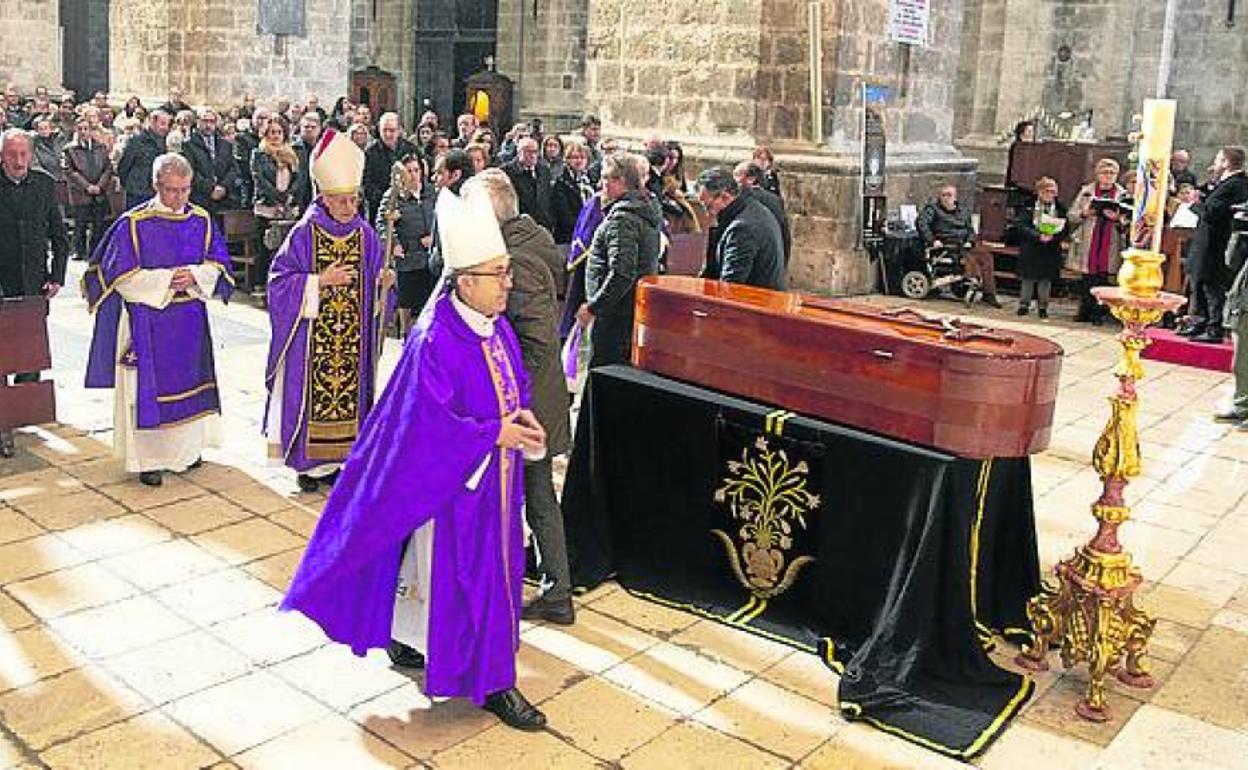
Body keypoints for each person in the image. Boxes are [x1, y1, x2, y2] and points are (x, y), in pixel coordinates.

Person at [282, 185, 551, 732]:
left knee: (487, 582)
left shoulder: (496, 327)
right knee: (456, 583)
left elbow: (513, 386)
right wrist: (491, 434)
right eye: (498, 274)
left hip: (496, 487)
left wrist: (523, 421)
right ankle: (495, 682)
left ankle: (474, 667)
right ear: (464, 281)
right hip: (450, 494)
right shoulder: (434, 339)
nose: (509, 283)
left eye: (506, 272)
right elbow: (427, 425)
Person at [82, 153, 232, 485]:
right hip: (146, 321)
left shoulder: (201, 220)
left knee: (190, 382)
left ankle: (187, 453)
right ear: (155, 186)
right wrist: (166, 280)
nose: (178, 198)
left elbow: (219, 266)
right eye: (170, 190)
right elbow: (118, 278)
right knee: (145, 391)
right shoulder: (133, 224)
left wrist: (194, 275)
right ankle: (148, 460)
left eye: (184, 190)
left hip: (189, 320)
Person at [467, 169, 574, 624]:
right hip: (536, 398)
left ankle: (556, 592)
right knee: (537, 492)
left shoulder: (516, 260)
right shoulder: (532, 240)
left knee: (535, 494)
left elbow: (539, 341)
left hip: (530, 402)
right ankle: (553, 583)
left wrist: (511, 399)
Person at [264, 129, 393, 494]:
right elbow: (278, 282)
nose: (349, 208)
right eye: (342, 201)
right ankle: (309, 466)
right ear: (324, 198)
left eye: (353, 200)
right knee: (313, 394)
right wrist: (318, 282)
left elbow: (374, 289)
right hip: (312, 340)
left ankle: (341, 462)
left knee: (350, 398)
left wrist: (383, 283)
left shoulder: (365, 234)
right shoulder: (306, 232)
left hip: (351, 343)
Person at [0, 128, 70, 457]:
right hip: (2, 285)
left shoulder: (42, 183)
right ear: (2, 156)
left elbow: (59, 235)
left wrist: (56, 276)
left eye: (23, 154)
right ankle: (3, 425)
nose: (18, 161)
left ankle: (23, 412)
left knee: (29, 356)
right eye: (12, 155)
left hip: (33, 285)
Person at [576, 152, 662, 366]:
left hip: (615, 315)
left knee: (604, 372)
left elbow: (622, 272)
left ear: (620, 181)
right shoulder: (642, 207)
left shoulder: (623, 219)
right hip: (626, 311)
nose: (600, 183)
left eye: (605, 178)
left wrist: (594, 307)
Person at [1183, 146, 1248, 343]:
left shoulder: (1236, 184)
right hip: (1206, 238)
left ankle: (1214, 328)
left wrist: (1194, 203)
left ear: (1227, 163)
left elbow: (1213, 214)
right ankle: (1200, 321)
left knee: (1212, 284)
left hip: (1215, 240)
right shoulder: (1225, 182)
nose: (1215, 163)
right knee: (1199, 281)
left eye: (1219, 159)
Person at [375, 155, 436, 336]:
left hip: (430, 260)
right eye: (409, 171)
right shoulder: (393, 196)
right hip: (408, 260)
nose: (413, 175)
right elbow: (382, 223)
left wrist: (435, 238)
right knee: (407, 308)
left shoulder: (432, 193)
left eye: (416, 170)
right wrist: (392, 244)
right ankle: (405, 337)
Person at [697, 167, 786, 290]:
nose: (707, 213)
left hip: (756, 303)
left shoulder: (742, 228)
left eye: (708, 206)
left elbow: (730, 286)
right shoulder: (751, 208)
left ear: (724, 197)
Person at [915, 183, 1002, 308]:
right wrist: (932, 240)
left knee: (987, 257)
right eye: (943, 195)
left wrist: (970, 241)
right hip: (947, 244)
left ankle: (989, 294)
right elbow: (922, 224)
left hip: (965, 243)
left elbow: (970, 230)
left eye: (949, 195)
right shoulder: (933, 209)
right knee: (971, 261)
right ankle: (973, 283)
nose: (946, 198)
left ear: (955, 197)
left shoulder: (962, 211)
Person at [1068, 159, 1127, 324]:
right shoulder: (1086, 191)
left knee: (1103, 277)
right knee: (1087, 277)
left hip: (1110, 240)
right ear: (1097, 174)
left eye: (1112, 173)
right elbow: (1072, 215)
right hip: (1089, 238)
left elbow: (1128, 221)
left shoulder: (1122, 194)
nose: (1108, 176)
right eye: (1104, 173)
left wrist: (1117, 219)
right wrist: (1084, 213)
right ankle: (1084, 311)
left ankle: (1098, 314)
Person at [251, 118, 301, 295]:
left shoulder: (291, 154)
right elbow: (260, 180)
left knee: (284, 249)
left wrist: (288, 196)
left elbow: (298, 179)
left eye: (279, 132)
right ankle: (260, 286)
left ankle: (281, 285)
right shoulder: (259, 154)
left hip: (286, 207)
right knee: (264, 247)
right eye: (272, 132)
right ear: (266, 134)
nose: (276, 136)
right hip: (266, 206)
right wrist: (276, 198)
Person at [1014, 176, 1068, 319]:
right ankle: (1023, 304)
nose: (1051, 194)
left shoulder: (1060, 208)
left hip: (1050, 248)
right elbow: (1021, 225)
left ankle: (1043, 306)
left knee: (1046, 279)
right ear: (1039, 192)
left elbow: (1065, 228)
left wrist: (1054, 236)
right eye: (1047, 191)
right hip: (1032, 246)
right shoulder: (1029, 206)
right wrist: (1037, 235)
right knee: (1028, 278)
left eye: (1053, 191)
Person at [62, 117, 114, 261]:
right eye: (80, 129)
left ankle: (94, 251)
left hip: (99, 192)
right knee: (80, 224)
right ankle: (78, 250)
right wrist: (87, 186)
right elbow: (69, 171)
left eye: (86, 129)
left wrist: (99, 185)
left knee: (98, 225)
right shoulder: (70, 150)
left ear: (91, 131)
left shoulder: (100, 147)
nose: (83, 132)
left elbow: (107, 168)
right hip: (80, 193)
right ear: (76, 131)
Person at [183, 109, 238, 219]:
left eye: (212, 121)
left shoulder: (225, 144)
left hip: (224, 199)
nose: (208, 125)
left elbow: (233, 169)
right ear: (198, 122)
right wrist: (211, 188)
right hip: (200, 198)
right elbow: (190, 171)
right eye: (205, 121)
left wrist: (223, 187)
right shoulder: (188, 145)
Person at [362, 112, 417, 221]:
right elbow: (366, 182)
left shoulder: (410, 149)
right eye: (384, 130)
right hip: (379, 210)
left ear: (399, 130)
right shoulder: (370, 152)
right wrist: (386, 200)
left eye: (391, 130)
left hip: (407, 210)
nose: (387, 134)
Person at [118, 109, 171, 209]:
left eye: (167, 125)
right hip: (137, 192)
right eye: (162, 124)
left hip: (156, 191)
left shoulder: (164, 142)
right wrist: (129, 184)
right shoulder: (137, 141)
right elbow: (124, 165)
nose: (165, 128)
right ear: (152, 123)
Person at [502, 137, 554, 230]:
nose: (533, 155)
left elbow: (548, 197)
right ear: (519, 152)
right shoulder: (506, 172)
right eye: (528, 151)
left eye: (535, 151)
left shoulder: (544, 170)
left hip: (544, 227)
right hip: (520, 227)